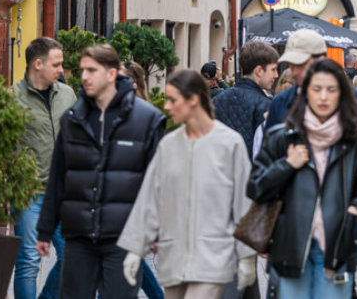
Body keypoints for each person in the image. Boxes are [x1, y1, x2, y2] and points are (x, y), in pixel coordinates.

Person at [36, 44, 165, 299]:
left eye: (92, 70)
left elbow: (158, 181)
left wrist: (157, 231)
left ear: (111, 74)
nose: (84, 76)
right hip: (79, 234)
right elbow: (59, 176)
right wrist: (45, 229)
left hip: (125, 235)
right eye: (83, 70)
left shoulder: (147, 119)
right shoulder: (73, 118)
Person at [248, 58, 357, 299]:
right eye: (316, 89)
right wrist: (287, 165)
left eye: (331, 90)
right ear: (304, 93)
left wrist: (352, 210)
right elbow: (256, 188)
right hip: (291, 244)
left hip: (336, 245)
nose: (323, 97)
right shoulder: (283, 137)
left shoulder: (353, 142)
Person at [118, 70, 257, 299]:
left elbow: (244, 204)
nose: (168, 107)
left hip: (214, 258)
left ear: (193, 100)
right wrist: (135, 248)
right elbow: (150, 199)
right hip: (174, 258)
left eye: (173, 100)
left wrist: (247, 256)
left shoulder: (229, 144)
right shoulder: (168, 146)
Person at [264, 30, 357, 276]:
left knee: (339, 283)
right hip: (294, 216)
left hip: (340, 214)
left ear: (321, 60)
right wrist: (265, 225)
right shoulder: (282, 103)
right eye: (292, 64)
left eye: (302, 63)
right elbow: (269, 164)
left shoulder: (353, 99)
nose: (296, 70)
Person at [12, 38, 76, 299]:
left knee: (72, 256)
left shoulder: (68, 95)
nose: (61, 70)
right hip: (30, 194)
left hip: (65, 193)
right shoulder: (13, 98)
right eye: (56, 64)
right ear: (37, 64)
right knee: (28, 262)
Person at [119, 60, 164, 299]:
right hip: (120, 201)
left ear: (132, 84)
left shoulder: (147, 118)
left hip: (136, 201)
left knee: (128, 257)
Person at [213, 40, 279, 158]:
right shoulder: (265, 106)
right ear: (259, 71)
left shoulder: (217, 100)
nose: (276, 75)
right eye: (273, 69)